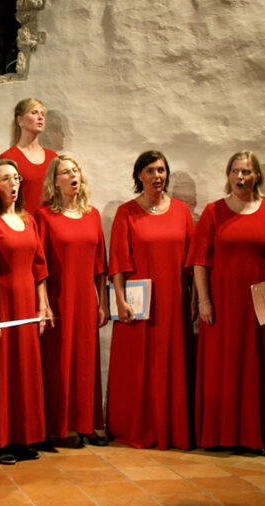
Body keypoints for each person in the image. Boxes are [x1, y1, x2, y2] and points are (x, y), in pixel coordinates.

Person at [193, 150, 265, 457]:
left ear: (257, 176)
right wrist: (204, 301)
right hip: (221, 303)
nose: (240, 177)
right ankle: (215, 436)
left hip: (258, 305)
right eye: (235, 171)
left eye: (246, 172)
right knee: (219, 368)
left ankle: (253, 437)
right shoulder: (213, 211)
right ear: (228, 175)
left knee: (254, 369)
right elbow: (200, 262)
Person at [107, 150, 194, 450]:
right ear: (139, 176)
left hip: (173, 300)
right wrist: (119, 301)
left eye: (161, 170)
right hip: (138, 303)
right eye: (150, 171)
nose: (157, 176)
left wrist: (195, 300)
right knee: (140, 367)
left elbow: (193, 262)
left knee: (169, 363)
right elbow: (117, 263)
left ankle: (171, 428)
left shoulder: (182, 211)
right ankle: (138, 426)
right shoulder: (126, 212)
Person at [0, 159, 49, 464]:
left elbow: (39, 266)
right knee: (3, 368)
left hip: (27, 300)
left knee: (25, 368)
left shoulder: (30, 220)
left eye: (16, 178)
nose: (13, 183)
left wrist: (43, 304)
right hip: (2, 299)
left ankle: (23, 436)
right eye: (5, 179)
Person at [36, 155, 108, 448]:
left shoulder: (92, 215)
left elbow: (100, 264)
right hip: (59, 297)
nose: (73, 175)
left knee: (86, 361)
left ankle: (87, 424)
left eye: (75, 170)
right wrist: (43, 302)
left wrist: (102, 303)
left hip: (86, 299)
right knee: (61, 361)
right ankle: (61, 427)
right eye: (66, 172)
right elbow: (39, 264)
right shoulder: (44, 216)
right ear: (55, 181)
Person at [0, 98, 58, 213]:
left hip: (49, 223)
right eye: (34, 113)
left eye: (43, 114)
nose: (40, 117)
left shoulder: (53, 157)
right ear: (20, 119)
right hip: (24, 223)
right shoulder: (9, 158)